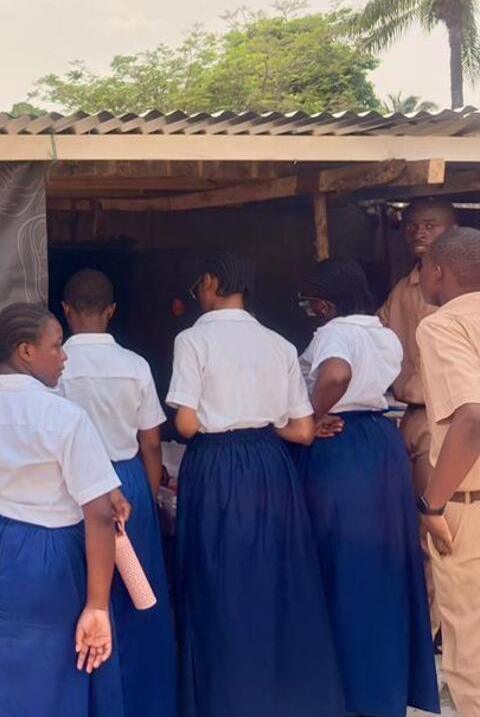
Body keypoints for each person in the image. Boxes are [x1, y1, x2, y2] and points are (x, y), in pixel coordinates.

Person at [166, 250, 344, 717]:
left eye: (198, 287)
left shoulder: (192, 340)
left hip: (216, 466)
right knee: (275, 578)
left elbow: (185, 424)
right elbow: (303, 431)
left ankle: (225, 698)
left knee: (215, 581)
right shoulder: (279, 344)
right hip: (270, 465)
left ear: (211, 281)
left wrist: (227, 419)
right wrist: (260, 423)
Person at [0, 302, 125, 717]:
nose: (64, 356)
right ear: (26, 351)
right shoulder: (64, 417)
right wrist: (97, 606)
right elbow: (99, 514)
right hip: (53, 552)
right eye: (56, 345)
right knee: (57, 667)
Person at [295, 259, 439, 716]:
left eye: (309, 303)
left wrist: (311, 418)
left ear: (324, 303)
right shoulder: (384, 333)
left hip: (341, 445)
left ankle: (348, 688)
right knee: (385, 563)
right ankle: (386, 686)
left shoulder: (334, 332)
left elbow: (336, 375)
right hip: (382, 445)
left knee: (344, 562)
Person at [56, 268, 177, 717]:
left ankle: (86, 697)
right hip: (128, 482)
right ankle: (143, 701)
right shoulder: (135, 365)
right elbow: (151, 442)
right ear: (111, 311)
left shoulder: (55, 367)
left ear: (65, 311)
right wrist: (147, 494)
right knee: (135, 593)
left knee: (82, 591)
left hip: (71, 487)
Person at [415, 226, 480, 717]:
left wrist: (432, 505)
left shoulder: (442, 325)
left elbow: (472, 416)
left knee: (472, 655)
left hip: (469, 510)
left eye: (422, 267)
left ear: (438, 270)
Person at [379, 198, 458, 498]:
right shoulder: (403, 288)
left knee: (442, 511)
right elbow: (375, 336)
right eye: (411, 227)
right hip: (410, 414)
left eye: (429, 226)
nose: (419, 233)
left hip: (451, 417)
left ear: (454, 231)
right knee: (416, 512)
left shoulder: (465, 287)